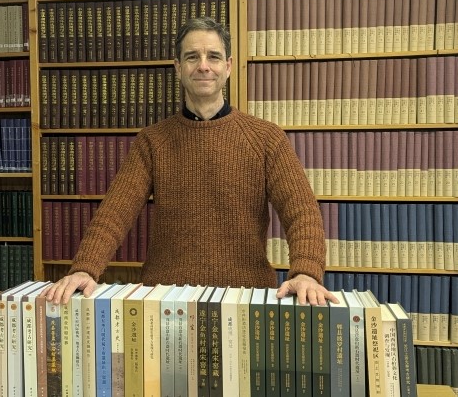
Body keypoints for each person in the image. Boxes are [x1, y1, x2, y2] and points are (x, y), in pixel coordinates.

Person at [43, 16, 336, 306]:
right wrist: (85, 267)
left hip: (245, 299)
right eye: (192, 57)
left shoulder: (266, 138)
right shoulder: (152, 141)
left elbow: (302, 213)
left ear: (228, 66)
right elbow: (114, 213)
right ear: (178, 68)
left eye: (214, 57)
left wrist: (306, 272)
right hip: (164, 299)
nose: (203, 66)